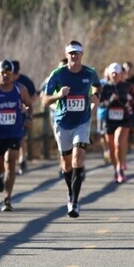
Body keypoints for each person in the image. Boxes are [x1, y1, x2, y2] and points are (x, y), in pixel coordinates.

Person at [42, 40, 101, 217]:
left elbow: (98, 85)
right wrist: (59, 95)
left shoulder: (89, 73)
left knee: (78, 158)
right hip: (62, 123)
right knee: (67, 164)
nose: (74, 56)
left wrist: (96, 97)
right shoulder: (58, 74)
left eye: (77, 53)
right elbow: (44, 100)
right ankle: (70, 191)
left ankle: (74, 202)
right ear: (67, 55)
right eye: (71, 53)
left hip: (82, 121)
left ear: (82, 55)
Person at [0, 60, 32, 212]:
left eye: (8, 73)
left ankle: (7, 198)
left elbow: (29, 105)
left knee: (11, 162)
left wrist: (28, 118)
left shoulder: (20, 89)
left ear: (13, 75)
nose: (5, 76)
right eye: (3, 73)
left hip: (15, 133)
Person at [101, 62, 134, 183]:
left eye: (117, 73)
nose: (115, 75)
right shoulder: (105, 87)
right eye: (113, 73)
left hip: (123, 119)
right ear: (109, 74)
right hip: (109, 121)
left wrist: (130, 102)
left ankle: (121, 168)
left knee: (118, 143)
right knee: (111, 148)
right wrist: (110, 100)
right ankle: (116, 170)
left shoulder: (127, 86)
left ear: (121, 74)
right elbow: (101, 104)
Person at [11, 60, 37, 175]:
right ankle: (11, 162)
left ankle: (22, 160)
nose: (14, 76)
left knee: (21, 138)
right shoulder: (4, 81)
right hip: (8, 115)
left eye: (16, 74)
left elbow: (35, 95)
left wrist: (27, 105)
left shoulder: (25, 81)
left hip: (22, 115)